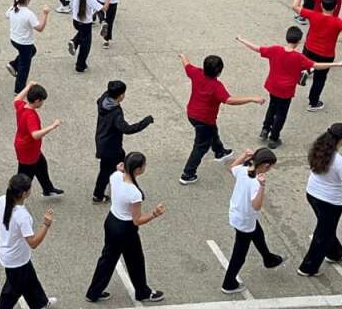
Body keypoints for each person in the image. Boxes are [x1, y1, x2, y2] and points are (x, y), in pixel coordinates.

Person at [237, 29, 342, 149]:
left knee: (272, 107)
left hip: (272, 86)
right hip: (286, 91)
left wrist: (242, 40)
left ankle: (265, 129)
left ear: (286, 38)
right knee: (281, 114)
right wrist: (336, 64)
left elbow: (256, 48)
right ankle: (274, 137)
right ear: (299, 41)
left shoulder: (275, 50)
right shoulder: (299, 57)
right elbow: (316, 65)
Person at [84, 152, 166, 303]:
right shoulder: (134, 193)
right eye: (144, 165)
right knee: (135, 261)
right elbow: (137, 220)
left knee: (107, 258)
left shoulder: (115, 176)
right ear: (137, 169)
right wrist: (155, 213)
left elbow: (117, 170)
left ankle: (93, 292)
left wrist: (119, 169)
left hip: (111, 221)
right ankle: (142, 292)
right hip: (125, 229)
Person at [178, 53, 266, 185]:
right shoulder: (216, 86)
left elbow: (187, 65)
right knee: (200, 146)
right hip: (204, 119)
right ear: (219, 72)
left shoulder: (196, 73)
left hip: (192, 114)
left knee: (212, 130)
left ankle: (219, 151)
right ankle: (188, 174)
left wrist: (183, 56)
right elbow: (229, 100)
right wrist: (251, 98)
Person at [297, 123, 342, 276]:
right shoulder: (340, 162)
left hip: (312, 193)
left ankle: (335, 252)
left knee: (326, 227)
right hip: (330, 202)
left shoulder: (317, 149)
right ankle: (308, 267)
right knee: (323, 234)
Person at [221, 149, 285, 293]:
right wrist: (262, 186)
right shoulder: (256, 181)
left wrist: (243, 155)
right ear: (266, 165)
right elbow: (256, 206)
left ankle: (269, 259)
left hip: (237, 213)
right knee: (239, 254)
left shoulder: (245, 169)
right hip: (245, 219)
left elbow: (233, 168)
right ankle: (228, 283)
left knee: (257, 232)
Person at [0, 173, 57, 309]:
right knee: (11, 292)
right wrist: (46, 225)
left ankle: (41, 303)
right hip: (16, 260)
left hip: (11, 253)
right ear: (24, 193)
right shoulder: (22, 216)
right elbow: (33, 243)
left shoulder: (2, 200)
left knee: (30, 280)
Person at [293, 0, 342, 111]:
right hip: (325, 54)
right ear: (335, 7)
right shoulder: (337, 22)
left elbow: (295, 6)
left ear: (321, 5)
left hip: (309, 48)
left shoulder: (313, 15)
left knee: (306, 62)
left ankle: (304, 70)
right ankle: (313, 103)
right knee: (320, 79)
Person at [13, 82, 63, 196]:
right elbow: (35, 134)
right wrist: (52, 126)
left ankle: (48, 188)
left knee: (41, 165)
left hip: (28, 147)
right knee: (24, 178)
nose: (42, 103)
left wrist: (28, 86)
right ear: (37, 101)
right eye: (42, 100)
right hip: (28, 150)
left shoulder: (22, 106)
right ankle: (14, 198)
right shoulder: (31, 115)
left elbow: (16, 99)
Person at [6, 0, 51, 92]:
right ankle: (19, 89)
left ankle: (13, 64)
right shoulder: (28, 14)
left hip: (14, 39)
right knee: (24, 67)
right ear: (27, 0)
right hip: (24, 43)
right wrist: (45, 14)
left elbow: (7, 15)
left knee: (32, 51)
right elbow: (39, 28)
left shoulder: (13, 9)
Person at [65, 0, 108, 71]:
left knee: (82, 35)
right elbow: (104, 8)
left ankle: (75, 41)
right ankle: (80, 65)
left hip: (76, 22)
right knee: (85, 45)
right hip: (86, 24)